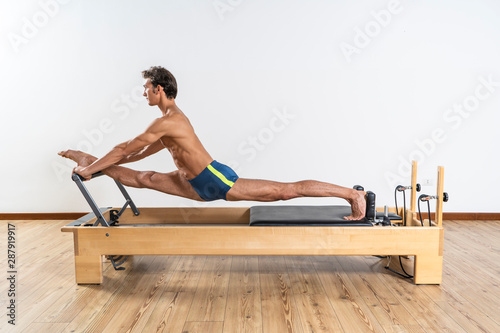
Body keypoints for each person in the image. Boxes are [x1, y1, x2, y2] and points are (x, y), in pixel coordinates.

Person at [59, 66, 366, 220]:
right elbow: (136, 155)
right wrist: (98, 165)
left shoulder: (169, 121)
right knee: (145, 178)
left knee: (284, 192)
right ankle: (88, 162)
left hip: (214, 179)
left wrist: (99, 166)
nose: (144, 94)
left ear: (160, 89)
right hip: (190, 182)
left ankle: (351, 194)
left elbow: (126, 148)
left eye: (147, 88)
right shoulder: (166, 125)